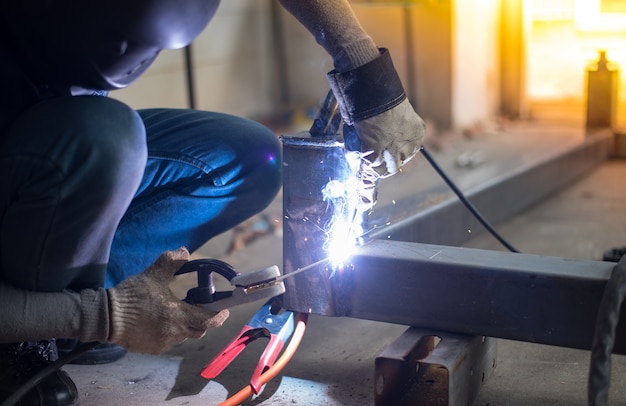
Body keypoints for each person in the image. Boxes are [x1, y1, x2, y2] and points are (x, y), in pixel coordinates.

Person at [0, 0, 426, 404]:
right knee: (104, 136)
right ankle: (27, 338)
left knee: (247, 156)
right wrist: (98, 315)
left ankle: (72, 301)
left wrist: (365, 70)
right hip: (46, 149)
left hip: (54, 135)